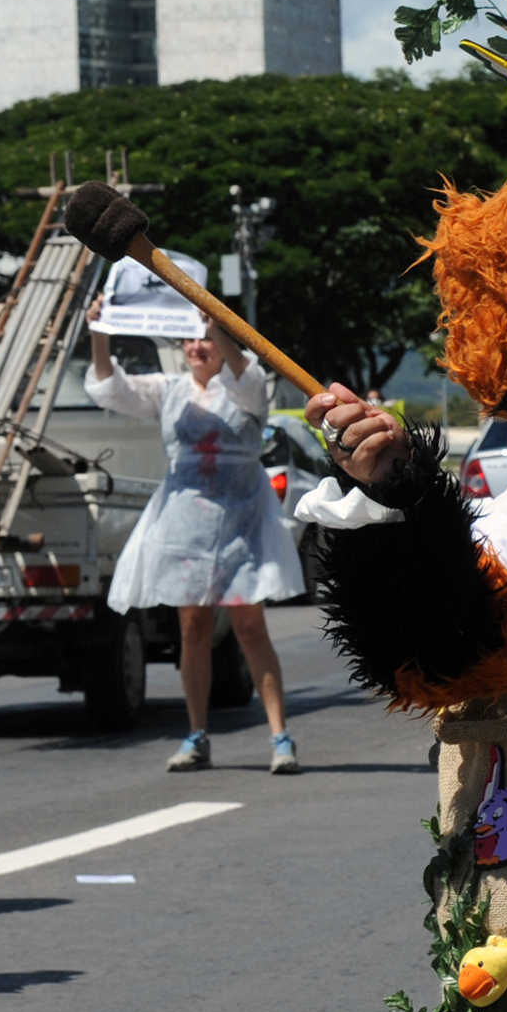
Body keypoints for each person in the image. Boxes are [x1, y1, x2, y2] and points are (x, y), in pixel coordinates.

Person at [86, 297, 303, 774]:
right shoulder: (168, 390)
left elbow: (245, 377)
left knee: (249, 627)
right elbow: (109, 387)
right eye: (189, 339)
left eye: (205, 338)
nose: (197, 347)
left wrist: (217, 325)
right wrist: (100, 331)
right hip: (186, 524)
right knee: (193, 627)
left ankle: (280, 737)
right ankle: (197, 734)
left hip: (242, 520)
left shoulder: (246, 388)